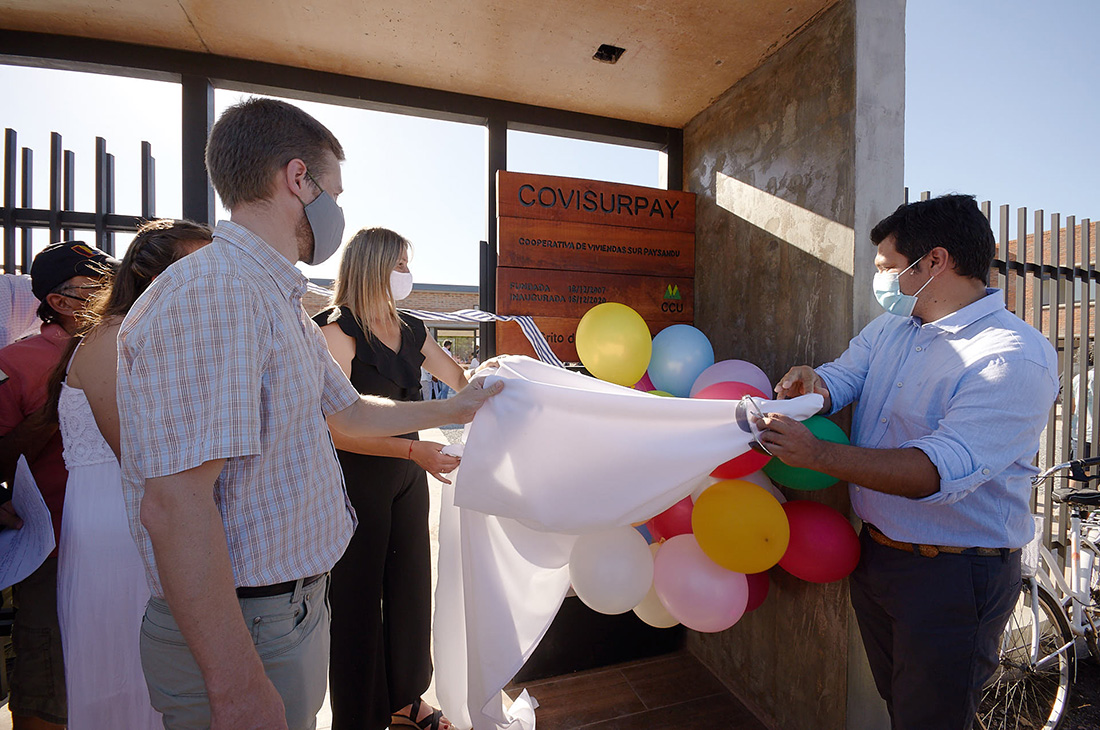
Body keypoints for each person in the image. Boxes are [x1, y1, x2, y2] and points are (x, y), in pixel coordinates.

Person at [115, 98, 501, 730]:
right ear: (299, 180)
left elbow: (347, 413)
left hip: (283, 614)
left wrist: (462, 403)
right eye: (335, 191)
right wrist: (237, 684)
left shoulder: (274, 298)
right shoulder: (218, 294)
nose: (338, 211)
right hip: (249, 628)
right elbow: (177, 505)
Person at [763, 194, 1059, 730]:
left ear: (935, 262)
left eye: (887, 268)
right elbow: (844, 374)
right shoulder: (894, 329)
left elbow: (936, 471)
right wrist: (816, 385)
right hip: (878, 557)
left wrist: (819, 454)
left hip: (953, 575)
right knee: (904, 708)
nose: (880, 281)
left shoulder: (1012, 355)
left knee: (934, 719)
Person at [50, 219, 213, 729]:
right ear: (152, 276)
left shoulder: (153, 334)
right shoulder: (110, 339)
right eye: (199, 268)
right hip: (120, 521)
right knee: (125, 668)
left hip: (150, 513)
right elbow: (141, 457)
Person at [314, 228, 470, 730]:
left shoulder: (413, 328)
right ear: (373, 266)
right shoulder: (335, 330)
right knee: (356, 600)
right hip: (355, 477)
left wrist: (502, 381)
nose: (406, 274)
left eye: (407, 264)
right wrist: (413, 448)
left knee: (409, 588)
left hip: (407, 473)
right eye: (399, 264)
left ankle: (406, 699)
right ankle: (359, 717)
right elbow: (338, 427)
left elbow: (461, 383)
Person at [0, 240, 117, 730]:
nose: (113, 290)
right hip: (52, 552)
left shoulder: (132, 347)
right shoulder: (16, 361)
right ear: (59, 302)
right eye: (98, 284)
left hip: (123, 549)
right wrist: (60, 399)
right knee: (47, 684)